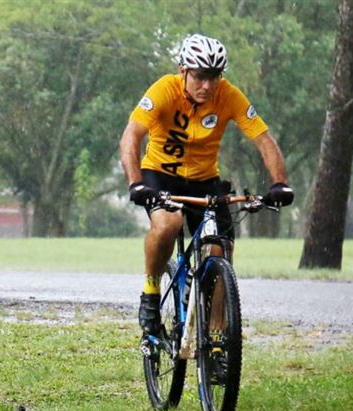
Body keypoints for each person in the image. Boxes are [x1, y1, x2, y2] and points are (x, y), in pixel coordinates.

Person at [119, 34, 294, 338]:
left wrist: (280, 183)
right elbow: (131, 137)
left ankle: (216, 340)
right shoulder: (164, 90)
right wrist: (136, 184)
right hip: (159, 175)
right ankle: (150, 292)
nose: (207, 86)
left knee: (221, 249)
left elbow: (264, 140)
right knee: (168, 224)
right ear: (183, 70)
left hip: (204, 180)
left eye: (214, 77)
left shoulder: (228, 95)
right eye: (199, 77)